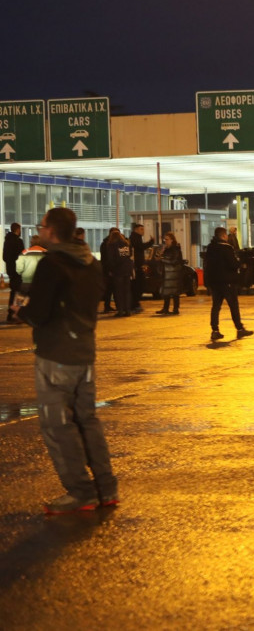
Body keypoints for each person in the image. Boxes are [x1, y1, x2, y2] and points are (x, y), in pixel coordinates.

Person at [12, 206, 117, 515]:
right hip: (85, 353)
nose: (39, 230)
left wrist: (23, 313)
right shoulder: (91, 263)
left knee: (58, 426)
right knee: (88, 420)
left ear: (52, 231)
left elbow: (40, 314)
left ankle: (81, 492)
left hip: (55, 354)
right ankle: (106, 488)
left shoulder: (52, 265)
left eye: (42, 226)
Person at [203, 227, 253, 341]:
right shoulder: (227, 248)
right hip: (227, 282)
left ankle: (215, 330)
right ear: (224, 236)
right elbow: (233, 264)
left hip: (215, 282)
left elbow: (207, 264)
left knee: (216, 306)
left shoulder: (210, 248)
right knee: (233, 305)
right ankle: (239, 329)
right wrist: (241, 263)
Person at [101, 228, 133, 318]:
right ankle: (128, 310)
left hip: (118, 271)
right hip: (127, 270)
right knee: (126, 291)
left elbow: (111, 259)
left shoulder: (111, 245)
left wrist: (111, 270)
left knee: (118, 291)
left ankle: (120, 310)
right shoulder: (126, 244)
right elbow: (129, 256)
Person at [155, 232, 183, 315]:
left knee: (175, 292)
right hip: (167, 273)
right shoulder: (166, 248)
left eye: (167, 239)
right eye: (164, 239)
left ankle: (175, 309)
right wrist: (160, 254)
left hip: (174, 274)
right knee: (166, 291)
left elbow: (174, 261)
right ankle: (165, 308)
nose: (165, 241)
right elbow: (161, 257)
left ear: (172, 240)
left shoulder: (175, 249)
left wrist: (162, 259)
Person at [128, 224, 152, 313]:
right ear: (136, 230)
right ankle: (134, 304)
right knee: (138, 285)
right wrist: (150, 242)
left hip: (138, 265)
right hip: (137, 266)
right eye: (141, 229)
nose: (143, 231)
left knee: (139, 285)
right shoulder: (135, 238)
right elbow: (141, 247)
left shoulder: (137, 237)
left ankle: (135, 304)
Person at [4, 222, 22, 322]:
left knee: (13, 292)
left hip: (10, 270)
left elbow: (4, 257)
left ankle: (10, 314)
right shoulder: (18, 241)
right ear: (17, 230)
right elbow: (21, 257)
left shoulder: (6, 241)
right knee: (20, 292)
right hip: (18, 270)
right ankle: (18, 314)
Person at [99, 227, 119, 313]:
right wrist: (109, 270)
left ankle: (111, 306)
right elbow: (106, 258)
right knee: (109, 289)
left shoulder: (114, 243)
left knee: (114, 289)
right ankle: (107, 306)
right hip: (108, 270)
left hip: (113, 269)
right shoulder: (106, 244)